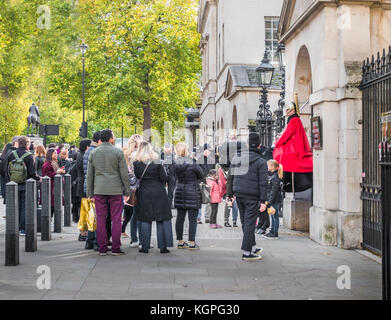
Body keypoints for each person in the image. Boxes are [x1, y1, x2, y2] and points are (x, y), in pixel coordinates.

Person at [86, 129, 130, 256]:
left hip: (99, 190)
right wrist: (127, 191)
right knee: (116, 219)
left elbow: (90, 175)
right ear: (110, 139)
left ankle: (102, 248)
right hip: (115, 190)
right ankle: (116, 248)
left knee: (100, 218)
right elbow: (124, 174)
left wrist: (89, 193)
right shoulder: (118, 152)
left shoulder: (93, 153)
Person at [230, 133, 268, 261]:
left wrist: (229, 194)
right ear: (259, 145)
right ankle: (247, 252)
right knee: (249, 223)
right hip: (252, 196)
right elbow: (263, 183)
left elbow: (231, 176)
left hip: (239, 194)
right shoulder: (261, 161)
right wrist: (263, 201)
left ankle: (251, 246)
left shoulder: (237, 157)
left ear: (247, 144)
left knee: (245, 222)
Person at [133, 141, 173, 254]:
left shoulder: (136, 163)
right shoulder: (157, 162)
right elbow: (164, 178)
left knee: (145, 219)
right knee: (162, 218)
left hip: (144, 192)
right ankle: (163, 247)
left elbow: (137, 176)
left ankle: (144, 246)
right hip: (159, 192)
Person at [172, 142, 204, 250]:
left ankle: (180, 241)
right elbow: (201, 174)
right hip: (192, 192)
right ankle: (191, 242)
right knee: (192, 219)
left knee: (180, 218)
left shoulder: (175, 163)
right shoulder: (192, 163)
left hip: (180, 191)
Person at [6, 136, 41, 234]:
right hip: (26, 184)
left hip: (13, 184)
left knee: (14, 205)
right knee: (24, 206)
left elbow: (7, 170)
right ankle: (23, 228)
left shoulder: (11, 155)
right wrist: (39, 179)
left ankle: (14, 227)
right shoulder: (29, 155)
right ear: (27, 144)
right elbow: (32, 173)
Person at [123, 134, 144, 248]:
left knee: (133, 214)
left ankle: (134, 239)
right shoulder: (137, 155)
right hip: (139, 186)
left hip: (130, 188)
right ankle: (141, 239)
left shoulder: (125, 154)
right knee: (138, 214)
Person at [84, 131, 103, 251]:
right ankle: (96, 241)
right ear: (100, 141)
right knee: (97, 216)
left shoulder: (88, 151)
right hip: (94, 187)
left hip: (89, 186)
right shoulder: (94, 152)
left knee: (92, 216)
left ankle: (89, 241)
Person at [263, 160, 284, 240]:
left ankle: (275, 233)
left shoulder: (275, 177)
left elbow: (273, 191)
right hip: (272, 200)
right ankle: (272, 231)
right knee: (272, 216)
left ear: (272, 167)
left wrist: (269, 201)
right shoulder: (273, 176)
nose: (267, 167)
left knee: (275, 217)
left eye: (268, 166)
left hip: (274, 200)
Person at [42, 149, 66, 217]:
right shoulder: (47, 164)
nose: (56, 154)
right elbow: (46, 176)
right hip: (51, 187)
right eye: (54, 153)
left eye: (56, 153)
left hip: (55, 186)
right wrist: (58, 172)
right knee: (51, 206)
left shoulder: (54, 162)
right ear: (50, 154)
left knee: (55, 205)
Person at [76, 139, 91, 241]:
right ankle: (83, 232)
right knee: (85, 210)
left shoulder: (80, 155)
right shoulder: (83, 156)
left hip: (81, 184)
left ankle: (84, 232)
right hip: (83, 186)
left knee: (84, 209)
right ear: (86, 147)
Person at [161, 143, 176, 209]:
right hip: (163, 174)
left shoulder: (173, 155)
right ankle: (163, 203)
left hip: (171, 174)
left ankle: (169, 204)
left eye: (168, 147)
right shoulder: (161, 155)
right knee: (162, 189)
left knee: (171, 191)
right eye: (166, 147)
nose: (167, 149)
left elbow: (174, 164)